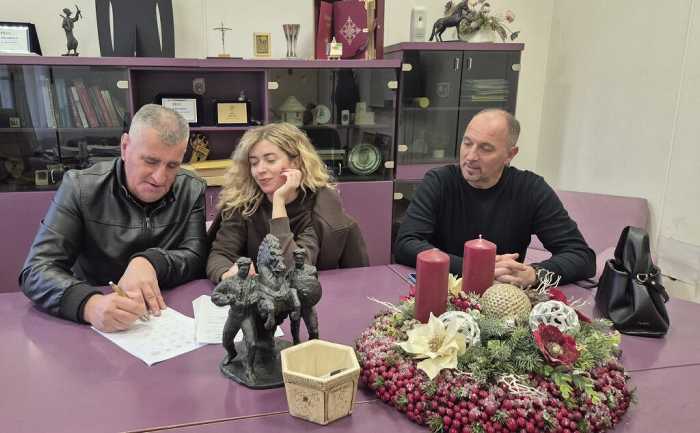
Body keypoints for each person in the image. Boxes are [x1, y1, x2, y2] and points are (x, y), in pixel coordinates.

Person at [20, 104, 207, 331]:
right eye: (150, 161)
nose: (159, 178)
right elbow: (37, 269)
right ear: (125, 147)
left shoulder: (191, 189)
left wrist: (150, 261)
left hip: (166, 316)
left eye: (172, 165)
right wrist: (88, 304)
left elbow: (196, 257)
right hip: (92, 319)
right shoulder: (79, 187)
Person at [394, 109, 595, 286]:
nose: (471, 156)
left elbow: (581, 256)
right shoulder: (439, 181)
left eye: (485, 148)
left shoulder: (530, 189)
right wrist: (476, 268)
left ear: (510, 155)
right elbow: (406, 244)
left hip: (504, 298)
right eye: (467, 143)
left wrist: (534, 274)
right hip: (443, 290)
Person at [206, 122, 368, 283]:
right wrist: (227, 274)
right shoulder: (243, 202)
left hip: (316, 295)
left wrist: (279, 202)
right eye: (254, 163)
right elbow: (220, 254)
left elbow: (291, 272)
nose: (260, 170)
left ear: (295, 162)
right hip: (256, 294)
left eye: (270, 160)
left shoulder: (319, 208)